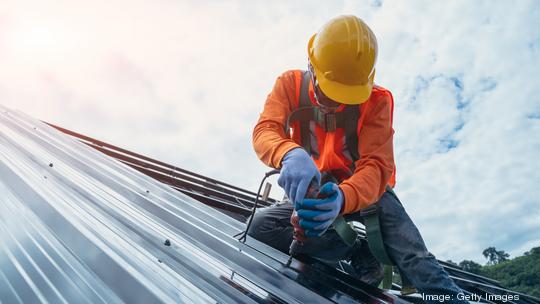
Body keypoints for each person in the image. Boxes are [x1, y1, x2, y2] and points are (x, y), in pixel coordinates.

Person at [247, 15, 468, 302]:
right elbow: (266, 129)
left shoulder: (377, 102)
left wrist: (343, 198)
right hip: (315, 189)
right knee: (261, 227)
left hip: (364, 191)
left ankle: (451, 298)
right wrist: (288, 153)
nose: (336, 103)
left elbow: (377, 166)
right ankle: (357, 253)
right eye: (330, 94)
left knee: (413, 257)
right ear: (312, 67)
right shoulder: (289, 85)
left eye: (346, 97)